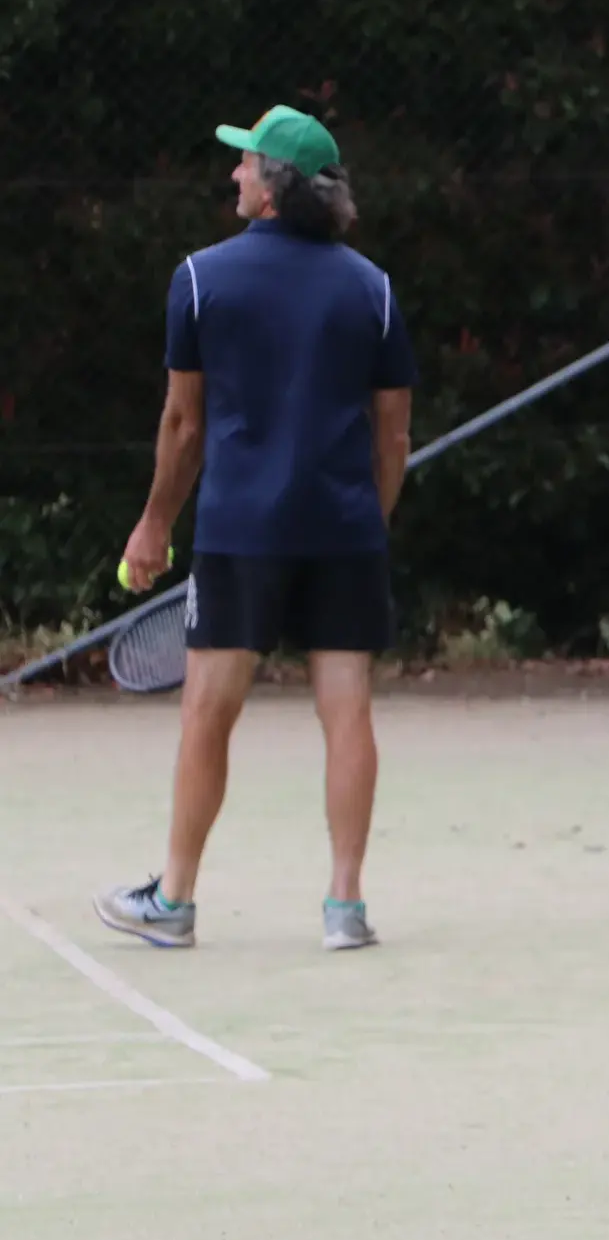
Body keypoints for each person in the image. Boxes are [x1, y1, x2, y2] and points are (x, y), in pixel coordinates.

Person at [94, 104, 416, 953]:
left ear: (271, 188)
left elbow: (183, 424)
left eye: (245, 163)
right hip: (345, 532)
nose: (233, 172)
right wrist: (371, 519)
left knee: (206, 712)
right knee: (347, 711)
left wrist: (153, 524)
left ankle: (174, 901)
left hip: (240, 532)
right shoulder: (374, 288)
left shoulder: (201, 279)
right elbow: (393, 436)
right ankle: (345, 908)